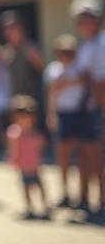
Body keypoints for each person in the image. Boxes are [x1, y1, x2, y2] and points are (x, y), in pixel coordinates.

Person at [44, 33, 91, 210]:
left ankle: (83, 194)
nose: (65, 55)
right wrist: (51, 115)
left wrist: (67, 82)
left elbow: (84, 83)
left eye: (68, 51)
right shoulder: (53, 69)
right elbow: (52, 94)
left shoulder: (80, 68)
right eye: (61, 52)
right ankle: (65, 193)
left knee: (81, 156)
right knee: (62, 156)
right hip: (62, 114)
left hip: (80, 113)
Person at [69, 0, 105, 218]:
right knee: (87, 154)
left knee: (97, 155)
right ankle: (87, 199)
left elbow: (98, 81)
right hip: (88, 107)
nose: (85, 23)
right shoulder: (87, 45)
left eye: (89, 18)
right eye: (81, 19)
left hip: (96, 108)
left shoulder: (100, 44)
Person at [0, 10, 45, 130]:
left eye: (14, 27)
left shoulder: (31, 48)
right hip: (13, 105)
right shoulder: (5, 52)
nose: (11, 31)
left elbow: (44, 71)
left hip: (31, 105)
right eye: (8, 28)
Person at [6, 95, 50, 220]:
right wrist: (13, 159)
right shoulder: (14, 133)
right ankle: (29, 207)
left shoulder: (36, 134)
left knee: (39, 185)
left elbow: (41, 147)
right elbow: (13, 149)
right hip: (23, 166)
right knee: (25, 186)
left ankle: (45, 206)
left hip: (34, 165)